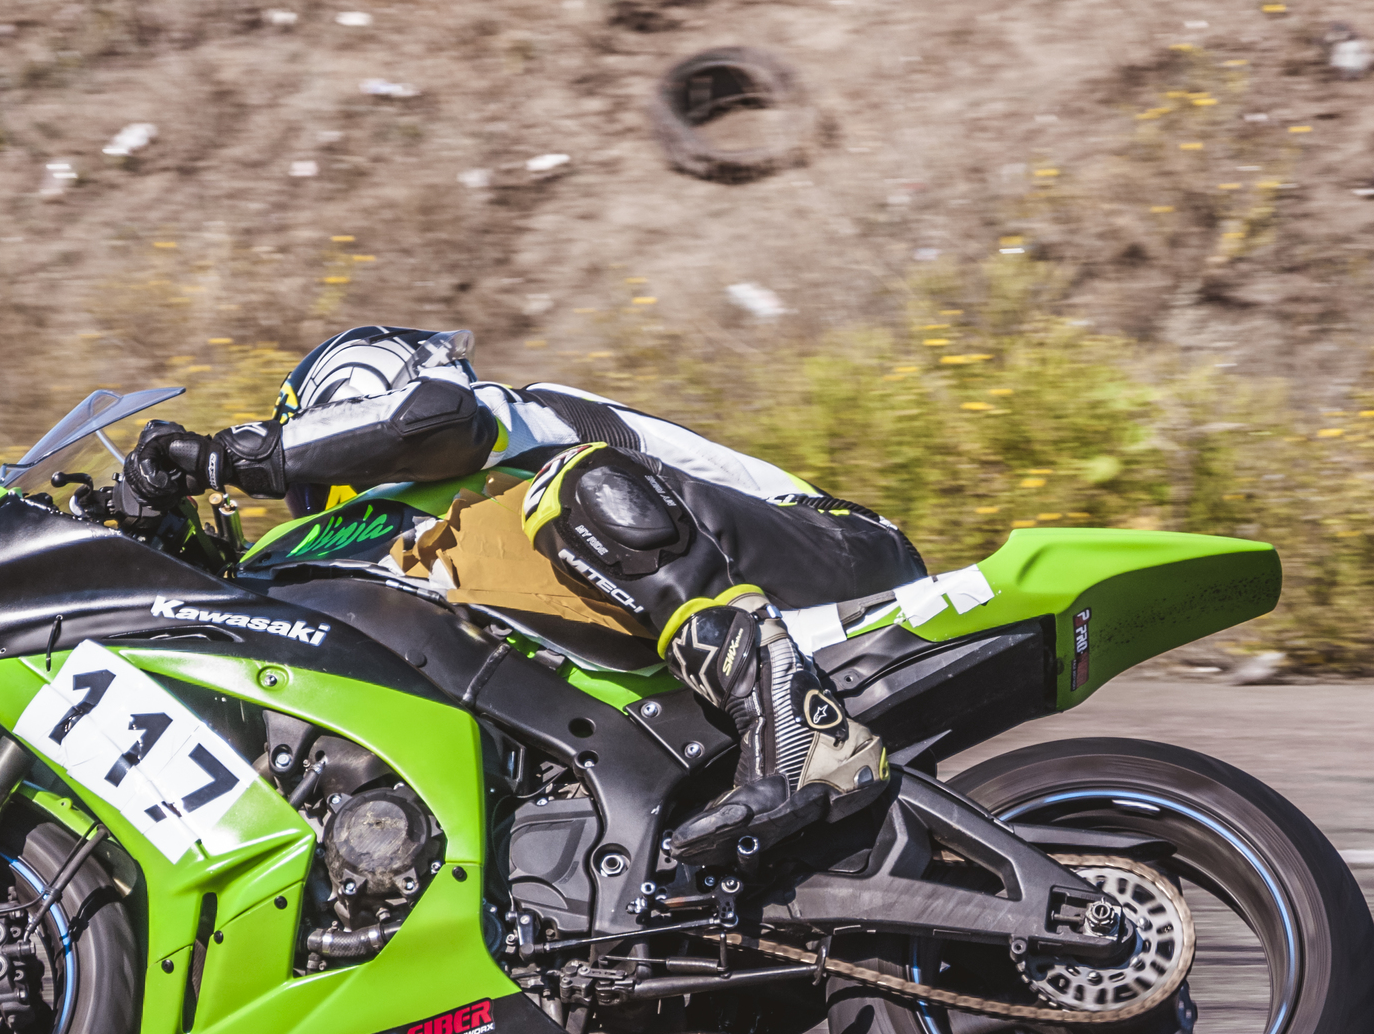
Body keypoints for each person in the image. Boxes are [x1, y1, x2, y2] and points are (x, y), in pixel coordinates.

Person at [126, 326, 925, 861]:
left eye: (320, 468)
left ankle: (794, 720)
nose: (321, 505)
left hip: (835, 552)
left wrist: (236, 457)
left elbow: (434, 420)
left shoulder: (506, 416)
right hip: (709, 604)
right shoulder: (466, 528)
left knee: (570, 487)